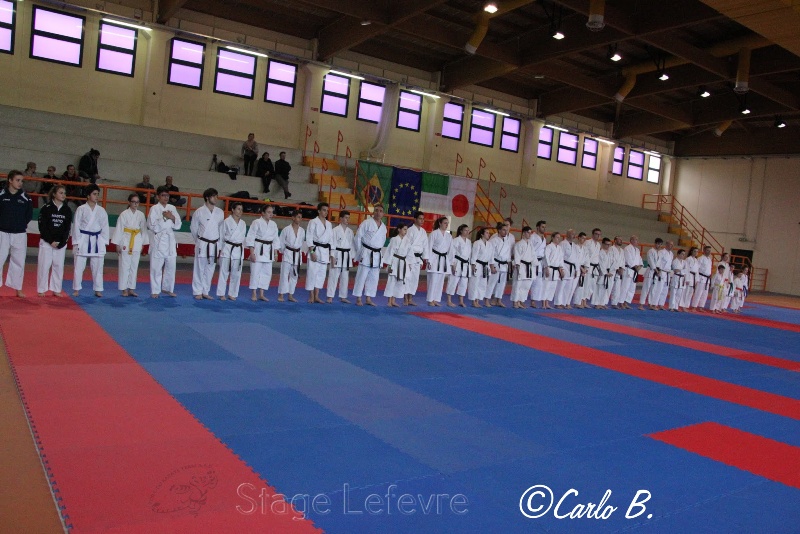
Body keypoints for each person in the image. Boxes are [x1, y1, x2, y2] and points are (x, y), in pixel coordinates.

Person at [71, 184, 109, 297]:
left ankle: (98, 289)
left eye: (98, 194)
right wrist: (77, 241)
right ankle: (76, 289)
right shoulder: (81, 209)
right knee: (79, 266)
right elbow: (76, 226)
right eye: (94, 194)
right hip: (83, 239)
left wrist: (103, 242)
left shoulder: (101, 210)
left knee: (98, 267)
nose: (97, 196)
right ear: (88, 195)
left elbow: (105, 227)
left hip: (97, 240)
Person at [0, 171, 34, 298]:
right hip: (2, 232)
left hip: (19, 233)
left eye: (21, 181)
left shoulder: (26, 197)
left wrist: (20, 224)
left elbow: (28, 215)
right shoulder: (1, 195)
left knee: (19, 261)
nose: (20, 183)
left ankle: (18, 288)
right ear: (10, 180)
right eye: (17, 180)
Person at [37, 185, 72, 297]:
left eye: (64, 193)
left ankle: (56, 289)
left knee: (58, 266)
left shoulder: (67, 210)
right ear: (54, 194)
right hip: (47, 242)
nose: (63, 195)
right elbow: (42, 227)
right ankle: (41, 289)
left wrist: (62, 242)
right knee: (44, 266)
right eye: (61, 193)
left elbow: (67, 228)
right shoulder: (46, 208)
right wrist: (50, 240)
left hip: (60, 243)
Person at [148, 187, 182, 298]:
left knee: (171, 266)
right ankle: (155, 290)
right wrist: (163, 218)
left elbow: (178, 225)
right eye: (163, 195)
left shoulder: (172, 208)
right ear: (158, 197)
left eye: (167, 195)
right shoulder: (154, 208)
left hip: (170, 239)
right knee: (156, 266)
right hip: (159, 238)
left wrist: (172, 217)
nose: (166, 198)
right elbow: (151, 225)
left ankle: (168, 288)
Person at [112, 193, 148, 297]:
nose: (135, 204)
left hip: (136, 240)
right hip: (126, 240)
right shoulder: (124, 214)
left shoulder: (141, 215)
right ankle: (124, 289)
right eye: (133, 202)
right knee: (124, 266)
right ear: (129, 202)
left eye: (137, 202)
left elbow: (144, 230)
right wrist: (117, 244)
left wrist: (143, 243)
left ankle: (131, 289)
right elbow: (119, 229)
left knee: (134, 266)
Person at [190, 188, 224, 299]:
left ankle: (205, 291)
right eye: (213, 196)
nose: (216, 198)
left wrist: (220, 245)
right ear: (207, 197)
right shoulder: (199, 212)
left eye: (216, 196)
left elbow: (221, 230)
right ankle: (197, 291)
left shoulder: (220, 212)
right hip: (202, 243)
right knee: (199, 268)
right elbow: (194, 228)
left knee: (210, 268)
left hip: (214, 244)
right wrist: (199, 241)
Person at [353, 204, 387, 306]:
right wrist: (360, 251)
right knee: (362, 275)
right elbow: (358, 237)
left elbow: (382, 241)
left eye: (380, 211)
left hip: (377, 254)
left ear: (383, 214)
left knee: (374, 277)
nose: (378, 212)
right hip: (366, 252)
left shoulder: (383, 227)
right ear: (373, 212)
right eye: (376, 210)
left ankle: (368, 298)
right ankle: (358, 298)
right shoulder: (366, 223)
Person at [246, 204, 279, 302]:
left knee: (267, 273)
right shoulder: (256, 222)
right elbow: (251, 237)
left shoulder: (273, 224)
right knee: (255, 272)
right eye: (269, 212)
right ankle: (254, 293)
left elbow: (276, 239)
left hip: (269, 251)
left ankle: (261, 293)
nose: (271, 214)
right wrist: (252, 253)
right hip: (258, 249)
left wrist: (276, 253)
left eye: (272, 212)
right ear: (263, 213)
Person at [217, 202, 247, 301]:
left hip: (238, 250)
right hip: (227, 249)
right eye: (238, 209)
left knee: (236, 274)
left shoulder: (243, 223)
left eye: (241, 209)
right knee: (224, 272)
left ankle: (232, 293)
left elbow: (243, 239)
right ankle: (221, 293)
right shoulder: (226, 221)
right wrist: (220, 250)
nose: (240, 211)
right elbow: (221, 237)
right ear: (233, 210)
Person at [305, 202, 333, 304]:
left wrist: (330, 253)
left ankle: (317, 296)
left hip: (325, 251)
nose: (326, 212)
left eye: (327, 211)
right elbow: (309, 237)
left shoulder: (329, 224)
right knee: (312, 273)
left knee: (321, 274)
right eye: (324, 210)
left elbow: (331, 240)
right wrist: (312, 252)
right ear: (319, 211)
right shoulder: (313, 222)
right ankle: (311, 295)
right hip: (315, 249)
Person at [326, 211, 354, 304]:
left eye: (348, 218)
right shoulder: (335, 230)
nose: (347, 220)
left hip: (346, 255)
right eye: (346, 218)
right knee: (333, 276)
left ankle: (343, 296)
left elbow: (352, 246)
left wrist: (352, 257)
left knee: (345, 277)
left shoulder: (350, 232)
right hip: (337, 254)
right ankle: (330, 296)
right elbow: (332, 244)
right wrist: (332, 256)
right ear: (341, 218)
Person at [278, 210, 305, 302]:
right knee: (284, 275)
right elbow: (281, 242)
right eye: (298, 217)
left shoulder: (302, 231)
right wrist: (284, 252)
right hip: (288, 253)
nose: (300, 219)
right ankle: (281, 295)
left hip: (297, 254)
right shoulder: (286, 229)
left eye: (301, 217)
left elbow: (301, 243)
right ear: (293, 218)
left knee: (294, 276)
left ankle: (290, 295)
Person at [426, 216, 452, 306]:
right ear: (440, 223)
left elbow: (451, 250)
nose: (446, 225)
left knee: (440, 281)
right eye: (445, 223)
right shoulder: (434, 233)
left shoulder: (449, 236)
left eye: (447, 223)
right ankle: (430, 300)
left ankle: (436, 299)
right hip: (434, 258)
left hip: (443, 259)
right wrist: (429, 260)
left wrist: (450, 262)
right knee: (433, 280)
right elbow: (429, 247)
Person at [405, 211, 428, 306]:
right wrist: (409, 259)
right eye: (420, 218)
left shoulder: (423, 232)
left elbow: (425, 246)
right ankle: (405, 299)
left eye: (423, 219)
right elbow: (407, 245)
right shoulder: (410, 230)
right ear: (415, 219)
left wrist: (424, 258)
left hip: (418, 258)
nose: (422, 220)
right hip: (410, 257)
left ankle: (410, 299)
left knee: (415, 279)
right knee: (407, 278)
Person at [487, 221, 513, 307]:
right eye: (503, 230)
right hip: (496, 263)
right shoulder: (493, 240)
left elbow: (508, 254)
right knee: (492, 282)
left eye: (506, 230)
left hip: (504, 264)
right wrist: (492, 266)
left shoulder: (507, 241)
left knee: (502, 284)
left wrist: (509, 264)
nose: (505, 232)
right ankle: (487, 299)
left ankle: (499, 300)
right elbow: (490, 254)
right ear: (499, 230)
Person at [383, 223, 410, 307]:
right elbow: (390, 252)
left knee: (399, 282)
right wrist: (389, 265)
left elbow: (410, 253)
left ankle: (394, 300)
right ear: (399, 229)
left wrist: (409, 264)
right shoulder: (394, 239)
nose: (406, 231)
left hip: (403, 262)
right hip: (394, 261)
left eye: (406, 229)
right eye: (404, 229)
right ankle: (389, 301)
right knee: (391, 281)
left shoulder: (407, 240)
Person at [511, 226, 538, 309]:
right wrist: (517, 266)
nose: (530, 234)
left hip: (529, 267)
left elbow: (534, 256)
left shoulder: (531, 245)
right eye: (528, 232)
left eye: (530, 233)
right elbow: (517, 256)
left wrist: (536, 265)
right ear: (523, 233)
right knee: (518, 285)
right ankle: (515, 301)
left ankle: (520, 300)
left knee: (526, 285)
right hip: (521, 266)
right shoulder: (518, 244)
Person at [446, 224, 471, 308]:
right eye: (465, 230)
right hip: (457, 263)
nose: (467, 232)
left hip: (465, 264)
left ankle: (461, 301)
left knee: (464, 283)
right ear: (461, 231)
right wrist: (453, 265)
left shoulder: (469, 241)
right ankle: (449, 300)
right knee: (453, 281)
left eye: (468, 230)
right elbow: (452, 253)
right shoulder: (456, 240)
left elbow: (469, 255)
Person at [468, 227, 492, 308]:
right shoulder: (477, 243)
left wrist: (490, 266)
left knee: (482, 284)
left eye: (489, 233)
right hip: (477, 264)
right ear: (482, 234)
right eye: (487, 233)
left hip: (485, 265)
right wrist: (473, 265)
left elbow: (490, 257)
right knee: (474, 283)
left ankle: (478, 300)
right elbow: (474, 255)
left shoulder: (489, 244)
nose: (489, 234)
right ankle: (473, 301)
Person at [555, 229, 579, 308]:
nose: (574, 236)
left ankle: (565, 303)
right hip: (564, 266)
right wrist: (561, 268)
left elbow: (576, 259)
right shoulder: (563, 244)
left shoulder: (575, 246)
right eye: (572, 234)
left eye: (574, 234)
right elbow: (560, 257)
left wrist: (576, 269)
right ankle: (558, 303)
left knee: (569, 287)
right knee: (561, 286)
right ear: (567, 234)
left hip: (572, 268)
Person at [639, 239, 664, 311]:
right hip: (650, 271)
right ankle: (641, 304)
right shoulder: (650, 251)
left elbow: (661, 263)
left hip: (657, 272)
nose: (659, 245)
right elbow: (651, 261)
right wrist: (656, 270)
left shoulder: (660, 253)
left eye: (660, 244)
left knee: (653, 289)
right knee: (645, 289)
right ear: (655, 243)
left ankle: (650, 304)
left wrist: (660, 271)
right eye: (658, 244)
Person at [542, 232, 565, 309]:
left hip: (556, 269)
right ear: (552, 237)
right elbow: (546, 257)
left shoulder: (559, 248)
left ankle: (547, 303)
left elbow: (561, 259)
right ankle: (543, 303)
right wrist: (547, 268)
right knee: (546, 286)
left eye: (559, 238)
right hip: (550, 268)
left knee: (552, 287)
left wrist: (561, 269)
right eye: (557, 237)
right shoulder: (549, 247)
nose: (558, 239)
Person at [528, 220, 548, 308]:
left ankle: (533, 301)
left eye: (545, 227)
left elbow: (544, 254)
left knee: (538, 283)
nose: (544, 228)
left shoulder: (544, 239)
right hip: (532, 261)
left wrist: (545, 266)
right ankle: (520, 300)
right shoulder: (532, 237)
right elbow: (529, 250)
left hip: (540, 262)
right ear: (537, 227)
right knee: (529, 281)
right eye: (542, 227)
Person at [591, 238, 615, 309]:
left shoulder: (611, 253)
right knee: (599, 288)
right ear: (603, 244)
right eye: (607, 244)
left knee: (606, 289)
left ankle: (603, 303)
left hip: (609, 272)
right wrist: (605, 272)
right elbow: (600, 263)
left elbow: (614, 262)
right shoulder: (600, 252)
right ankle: (596, 303)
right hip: (602, 272)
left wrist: (611, 271)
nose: (608, 246)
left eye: (609, 245)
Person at [620, 235, 643, 309]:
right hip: (628, 269)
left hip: (635, 271)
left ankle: (626, 302)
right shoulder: (627, 248)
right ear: (631, 240)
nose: (637, 241)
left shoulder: (637, 250)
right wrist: (635, 266)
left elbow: (640, 259)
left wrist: (640, 266)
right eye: (636, 240)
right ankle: (621, 302)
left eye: (637, 240)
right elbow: (628, 259)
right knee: (625, 287)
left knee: (632, 288)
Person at [571, 232, 590, 309]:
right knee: (572, 286)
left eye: (585, 239)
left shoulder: (585, 249)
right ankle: (567, 302)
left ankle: (577, 302)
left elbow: (587, 259)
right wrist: (581, 268)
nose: (583, 240)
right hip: (576, 268)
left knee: (580, 287)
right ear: (578, 238)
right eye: (582, 238)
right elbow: (575, 259)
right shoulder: (575, 247)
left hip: (582, 269)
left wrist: (585, 268)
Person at [691, 246, 713, 311]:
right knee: (698, 292)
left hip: (707, 278)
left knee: (705, 294)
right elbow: (697, 269)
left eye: (710, 250)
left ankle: (701, 306)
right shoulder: (700, 258)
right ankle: (694, 306)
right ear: (704, 251)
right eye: (707, 250)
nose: (709, 252)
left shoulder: (709, 259)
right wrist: (697, 278)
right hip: (701, 277)